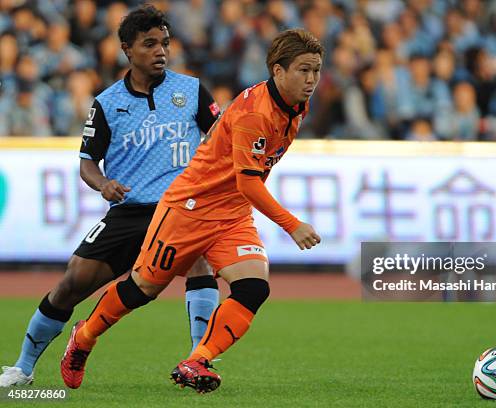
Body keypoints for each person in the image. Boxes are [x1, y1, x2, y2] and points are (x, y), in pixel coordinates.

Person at [60, 28, 324, 394]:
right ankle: (84, 337)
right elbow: (249, 183)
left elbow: (245, 185)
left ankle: (197, 359)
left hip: (231, 214)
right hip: (189, 208)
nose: (311, 80)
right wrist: (291, 224)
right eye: (303, 70)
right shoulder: (255, 114)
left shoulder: (296, 104)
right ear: (278, 72)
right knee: (143, 289)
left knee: (253, 287)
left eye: (316, 70)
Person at [0, 5, 220, 387]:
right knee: (72, 282)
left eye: (165, 43)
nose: (160, 51)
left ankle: (198, 360)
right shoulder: (107, 103)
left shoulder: (191, 90)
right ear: (126, 49)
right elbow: (87, 163)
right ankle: (23, 368)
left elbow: (220, 139)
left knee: (200, 262)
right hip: (130, 212)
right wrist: (103, 184)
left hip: (179, 208)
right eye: (149, 44)